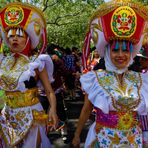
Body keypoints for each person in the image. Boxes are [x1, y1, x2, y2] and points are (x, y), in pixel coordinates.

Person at [72, 0, 148, 147]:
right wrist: (76, 134)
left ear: (131, 53)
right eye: (115, 50)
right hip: (103, 137)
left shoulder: (141, 79)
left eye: (125, 50)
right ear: (107, 52)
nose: (121, 55)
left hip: (133, 139)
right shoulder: (95, 78)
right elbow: (87, 109)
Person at [0, 2, 58, 147]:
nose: (14, 39)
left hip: (32, 115)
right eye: (10, 35)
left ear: (28, 39)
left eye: (19, 35)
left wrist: (53, 110)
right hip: (8, 116)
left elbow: (49, 91)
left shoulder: (37, 62)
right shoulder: (3, 61)